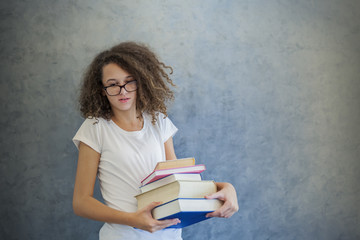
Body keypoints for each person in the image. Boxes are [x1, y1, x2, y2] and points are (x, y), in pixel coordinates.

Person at [72, 41, 239, 240]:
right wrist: (133, 219)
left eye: (129, 81)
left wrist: (225, 187)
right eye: (113, 84)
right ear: (102, 90)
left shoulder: (158, 120)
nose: (123, 91)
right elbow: (81, 202)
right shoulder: (95, 128)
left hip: (170, 234)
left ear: (141, 81)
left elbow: (177, 182)